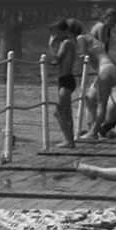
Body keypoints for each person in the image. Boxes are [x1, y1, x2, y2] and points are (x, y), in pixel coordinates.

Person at [78, 25, 116, 139]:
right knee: (89, 99)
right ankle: (93, 128)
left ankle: (94, 131)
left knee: (100, 104)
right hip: (100, 75)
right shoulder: (96, 51)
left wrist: (108, 84)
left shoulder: (100, 53)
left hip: (103, 74)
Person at [48, 18, 78, 148]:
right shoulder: (66, 42)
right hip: (64, 80)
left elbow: (57, 59)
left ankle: (69, 140)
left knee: (58, 111)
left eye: (57, 33)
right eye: (53, 34)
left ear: (65, 31)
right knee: (66, 111)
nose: (55, 36)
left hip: (66, 81)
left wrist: (50, 45)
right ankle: (70, 139)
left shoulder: (66, 43)